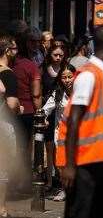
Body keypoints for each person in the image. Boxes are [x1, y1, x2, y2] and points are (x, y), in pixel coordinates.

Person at [57, 25, 103, 218]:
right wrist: (69, 166)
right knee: (81, 211)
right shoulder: (89, 75)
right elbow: (73, 120)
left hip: (101, 161)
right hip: (83, 162)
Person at [12, 29, 42, 194]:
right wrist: (40, 114)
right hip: (28, 112)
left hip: (12, 111)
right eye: (33, 41)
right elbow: (36, 94)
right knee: (25, 149)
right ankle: (22, 183)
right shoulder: (31, 66)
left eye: (38, 41)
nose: (36, 44)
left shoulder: (12, 62)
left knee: (17, 147)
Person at [42, 63, 76, 202]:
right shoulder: (57, 94)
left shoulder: (81, 92)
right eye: (64, 77)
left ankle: (76, 190)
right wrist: (43, 119)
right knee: (61, 164)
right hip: (60, 133)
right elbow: (44, 110)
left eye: (70, 77)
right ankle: (65, 189)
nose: (67, 80)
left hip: (78, 134)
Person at [0, 36, 20, 218]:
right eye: (14, 49)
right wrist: (19, 107)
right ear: (7, 51)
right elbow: (12, 104)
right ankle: (2, 208)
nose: (16, 52)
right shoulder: (7, 74)